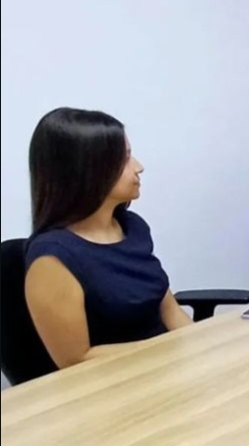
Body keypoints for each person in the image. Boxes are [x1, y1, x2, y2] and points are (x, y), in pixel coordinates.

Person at [24, 108, 192, 369]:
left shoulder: (132, 227)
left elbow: (170, 311)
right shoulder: (51, 259)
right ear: (87, 170)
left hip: (164, 367)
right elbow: (75, 359)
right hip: (114, 382)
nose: (139, 167)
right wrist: (166, 351)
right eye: (124, 159)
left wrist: (199, 347)